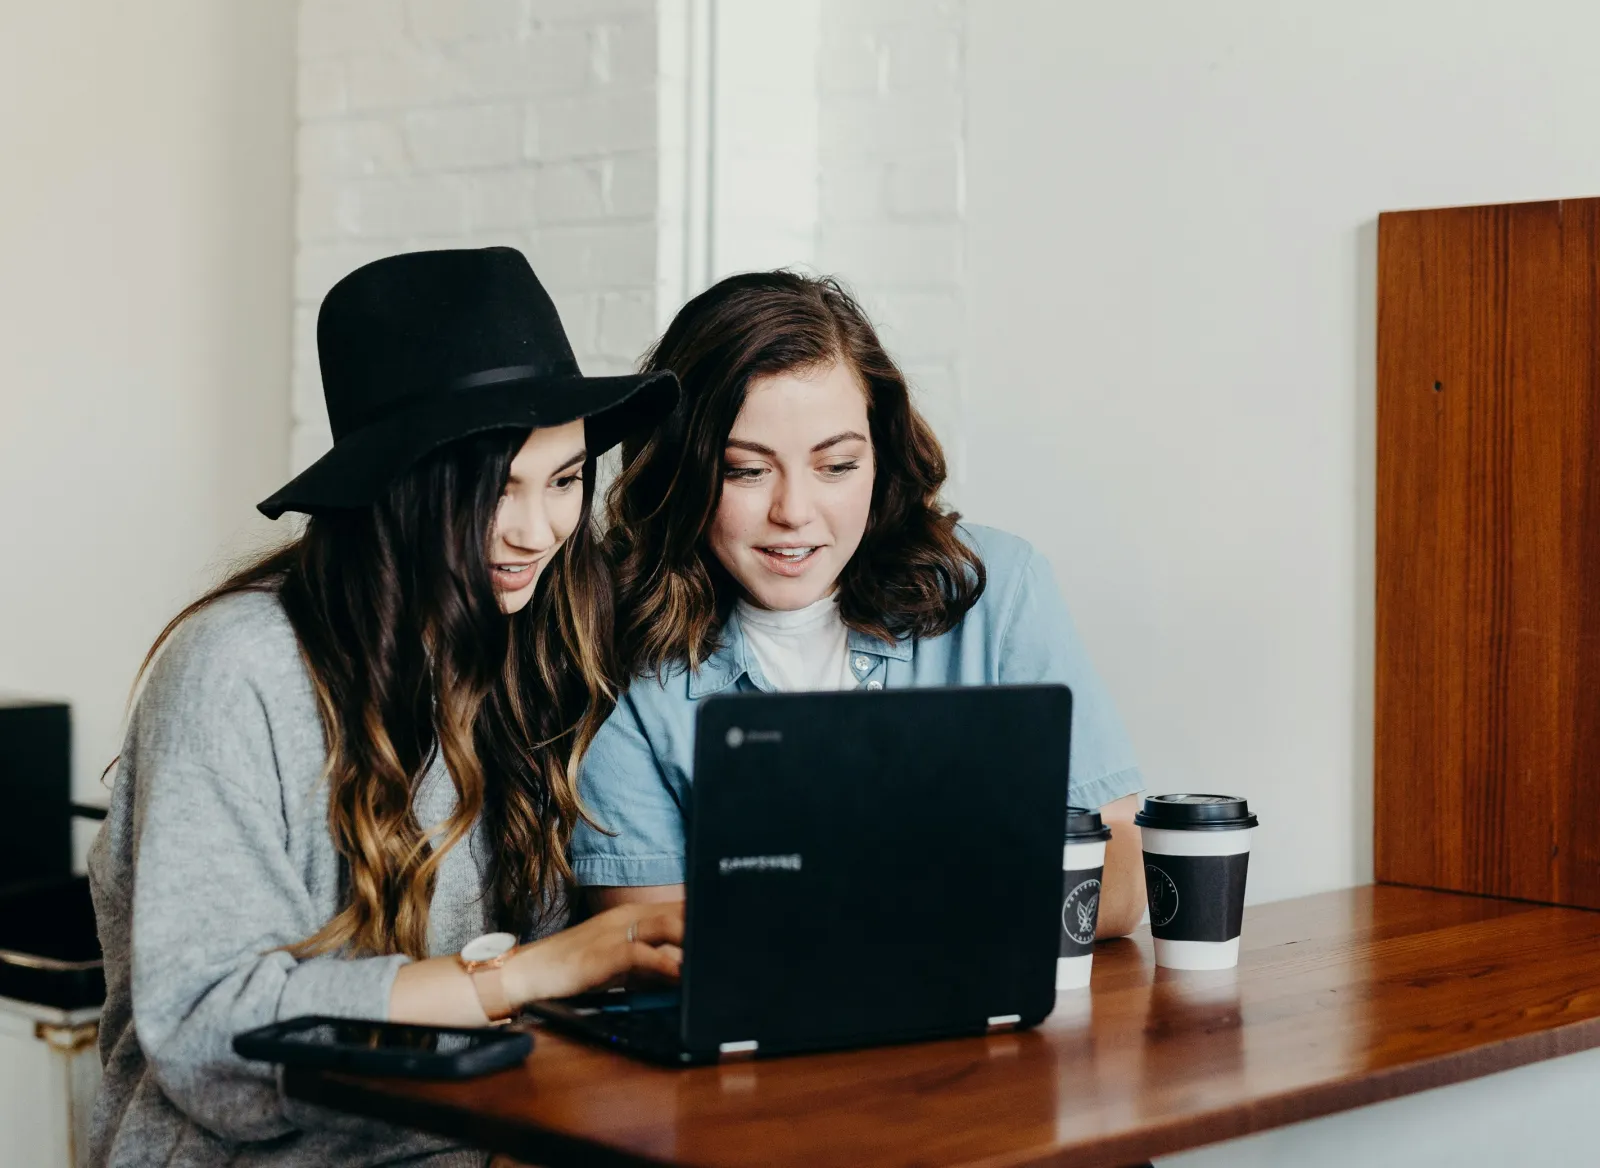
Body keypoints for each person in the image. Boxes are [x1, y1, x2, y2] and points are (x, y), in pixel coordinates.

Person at [87, 248, 683, 1167]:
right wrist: (523, 974)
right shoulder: (238, 669)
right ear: (400, 485)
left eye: (564, 480)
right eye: (495, 489)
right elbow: (212, 1035)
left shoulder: (536, 646)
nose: (537, 531)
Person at [573, 270, 1147, 937]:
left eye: (836, 465)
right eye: (746, 470)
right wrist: (962, 883)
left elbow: (1120, 881)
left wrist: (826, 908)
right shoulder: (617, 646)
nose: (793, 512)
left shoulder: (996, 588)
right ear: (682, 471)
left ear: (880, 455)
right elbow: (647, 941)